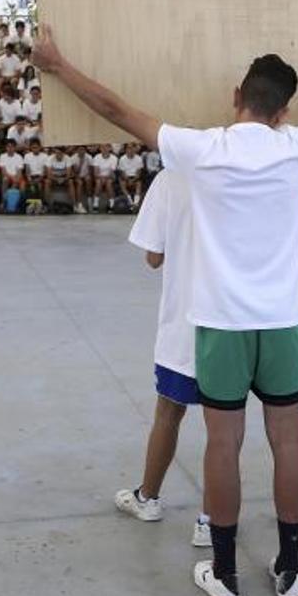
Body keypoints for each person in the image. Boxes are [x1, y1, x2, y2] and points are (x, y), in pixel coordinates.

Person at [30, 23, 298, 596]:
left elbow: (114, 107)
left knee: (222, 445)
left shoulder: (199, 150)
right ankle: (289, 569)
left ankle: (223, 574)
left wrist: (57, 63)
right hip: (284, 322)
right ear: (284, 110)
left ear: (236, 96)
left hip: (221, 325)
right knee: (290, 443)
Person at [115, 169, 212, 549]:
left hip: (185, 321)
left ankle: (148, 498)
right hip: (237, 320)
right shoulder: (246, 168)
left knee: (168, 412)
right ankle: (211, 519)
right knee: (224, 427)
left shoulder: (172, 177)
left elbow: (154, 256)